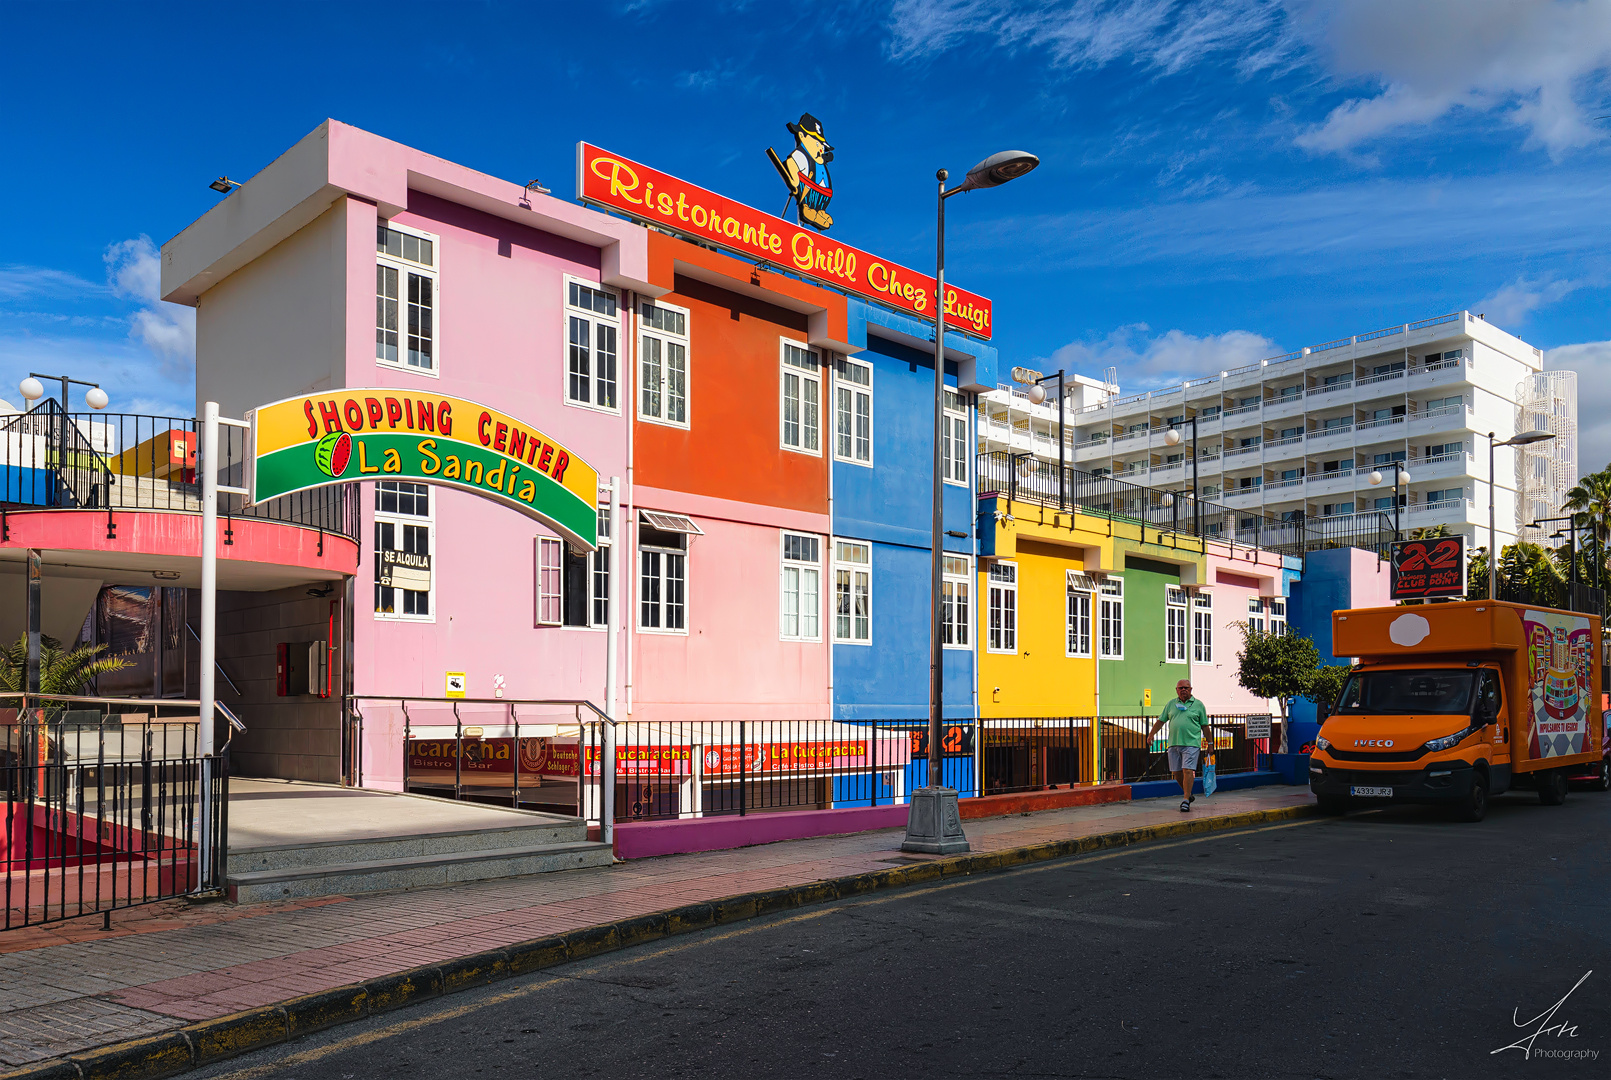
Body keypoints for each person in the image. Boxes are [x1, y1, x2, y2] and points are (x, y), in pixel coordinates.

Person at [1146, 679, 1210, 813]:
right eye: (1180, 688)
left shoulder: (1198, 705)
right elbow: (1161, 721)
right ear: (1176, 690)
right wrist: (1151, 734)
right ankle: (1188, 793)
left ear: (1191, 689)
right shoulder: (1171, 704)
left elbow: (1205, 726)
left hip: (1191, 743)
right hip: (1174, 744)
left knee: (1187, 770)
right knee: (1176, 772)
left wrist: (1210, 743)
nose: (1183, 690)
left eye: (1186, 688)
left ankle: (1185, 800)